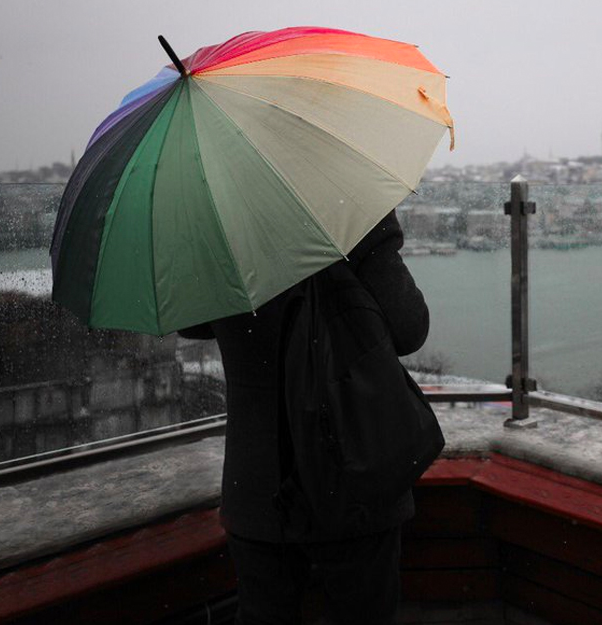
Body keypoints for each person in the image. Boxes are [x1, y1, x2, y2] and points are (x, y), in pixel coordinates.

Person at [179, 210, 429, 625]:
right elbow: (410, 328)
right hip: (353, 473)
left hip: (258, 480)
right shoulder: (350, 206)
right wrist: (374, 234)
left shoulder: (216, 217)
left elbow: (190, 322)